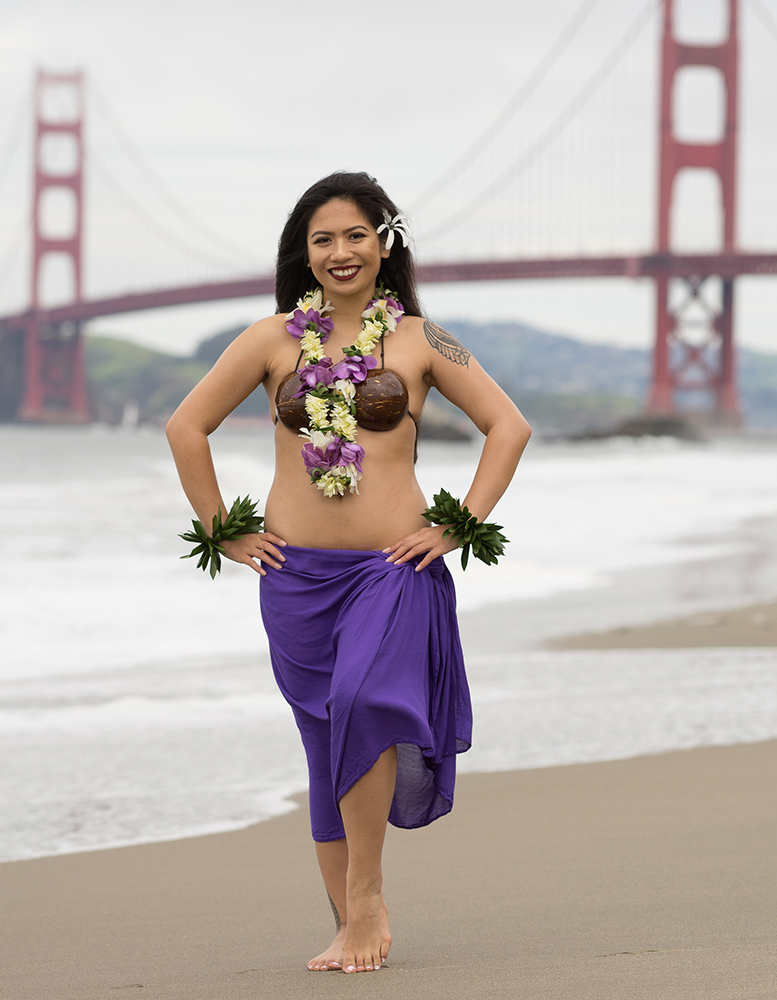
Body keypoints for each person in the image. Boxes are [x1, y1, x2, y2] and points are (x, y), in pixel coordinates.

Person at [165, 172, 530, 974]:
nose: (340, 252)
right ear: (304, 251)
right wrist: (223, 530)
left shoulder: (424, 340)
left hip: (392, 570)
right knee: (324, 738)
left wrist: (456, 523)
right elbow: (186, 426)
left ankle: (366, 896)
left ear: (385, 242)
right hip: (295, 578)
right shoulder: (269, 340)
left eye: (355, 235)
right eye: (322, 239)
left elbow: (507, 425)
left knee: (365, 704)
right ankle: (345, 919)